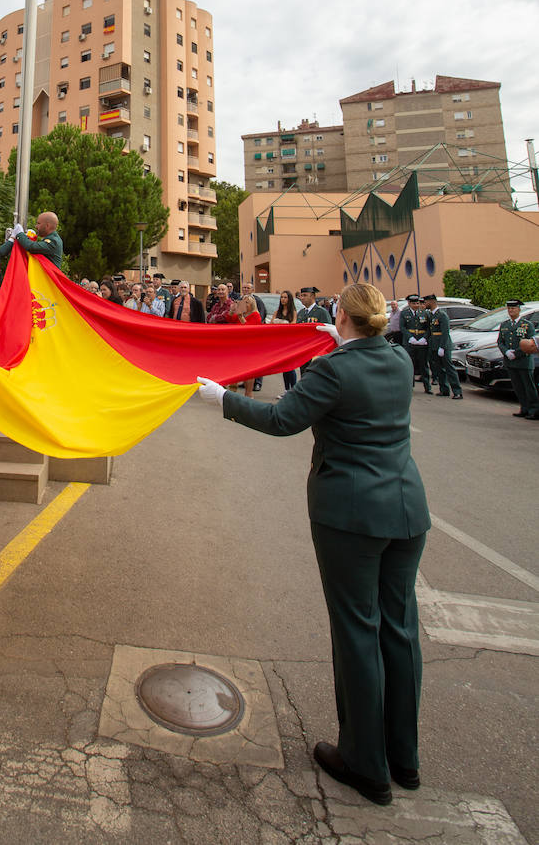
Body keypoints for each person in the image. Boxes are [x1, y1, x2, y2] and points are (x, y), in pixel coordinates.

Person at [197, 283, 430, 807]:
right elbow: (366, 357)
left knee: (356, 632)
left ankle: (365, 764)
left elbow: (281, 420)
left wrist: (223, 398)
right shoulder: (397, 361)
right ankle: (403, 759)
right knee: (400, 631)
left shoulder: (334, 370)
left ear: (342, 317)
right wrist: (337, 337)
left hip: (350, 514)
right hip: (406, 508)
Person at [497, 298, 539, 420]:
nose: (511, 311)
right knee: (518, 387)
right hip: (510, 361)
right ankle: (524, 408)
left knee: (528, 387)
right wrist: (506, 352)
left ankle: (534, 410)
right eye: (509, 309)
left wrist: (517, 353)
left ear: (519, 310)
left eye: (513, 308)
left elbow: (532, 343)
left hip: (523, 361)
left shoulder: (527, 325)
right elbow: (500, 342)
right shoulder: (504, 325)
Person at [421, 294, 462, 399]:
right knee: (439, 369)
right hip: (434, 345)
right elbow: (431, 331)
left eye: (426, 302)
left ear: (432, 301)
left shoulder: (442, 315)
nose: (424, 304)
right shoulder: (432, 315)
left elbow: (445, 332)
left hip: (443, 345)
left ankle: (457, 391)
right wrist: (425, 339)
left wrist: (442, 347)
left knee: (449, 368)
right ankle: (444, 390)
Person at [296, 286, 332, 376]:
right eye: (301, 295)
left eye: (304, 295)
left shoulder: (321, 312)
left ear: (312, 296)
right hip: (304, 350)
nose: (302, 298)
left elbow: (328, 331)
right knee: (304, 375)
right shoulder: (301, 313)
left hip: (316, 351)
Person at [399, 295, 431, 392]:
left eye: (417, 303)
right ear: (409, 303)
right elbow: (402, 327)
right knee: (410, 364)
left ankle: (427, 387)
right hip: (410, 343)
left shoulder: (424, 313)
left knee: (423, 365)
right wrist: (410, 337)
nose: (416, 305)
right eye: (413, 303)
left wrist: (424, 338)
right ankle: (410, 386)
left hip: (421, 342)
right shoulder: (404, 313)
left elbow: (429, 328)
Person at [273, 289, 299, 393]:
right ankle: (286, 390)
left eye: (285, 297)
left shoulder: (293, 312)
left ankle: (294, 390)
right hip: (279, 342)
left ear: (289, 299)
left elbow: (293, 326)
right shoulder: (277, 312)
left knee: (290, 367)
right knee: (284, 367)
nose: (283, 299)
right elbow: (270, 325)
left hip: (289, 342)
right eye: (282, 297)